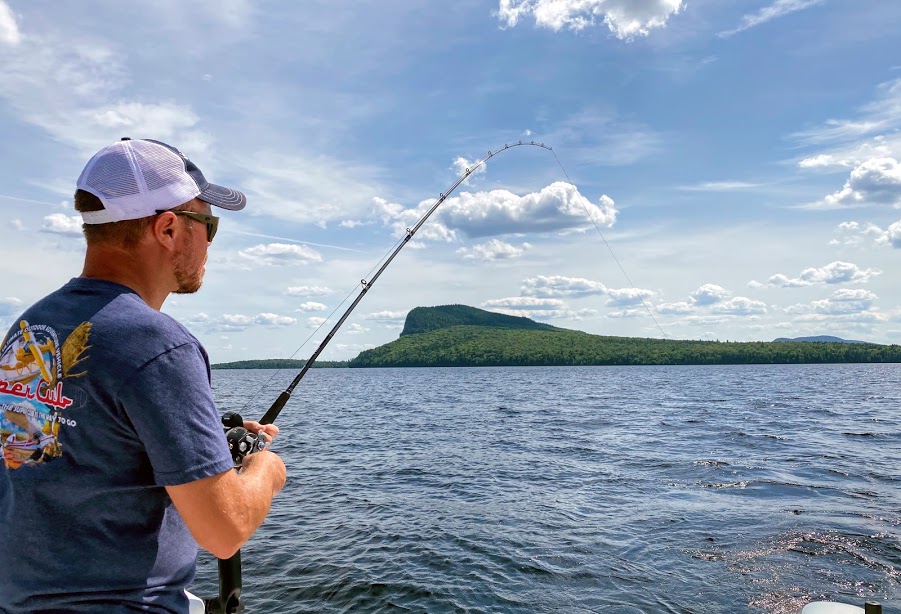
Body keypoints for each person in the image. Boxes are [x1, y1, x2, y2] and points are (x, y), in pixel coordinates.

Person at [0, 138, 287, 613]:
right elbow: (223, 532)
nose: (210, 244)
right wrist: (264, 471)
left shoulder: (31, 327)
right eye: (209, 225)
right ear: (170, 228)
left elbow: (44, 452)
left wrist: (206, 447)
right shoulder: (160, 346)